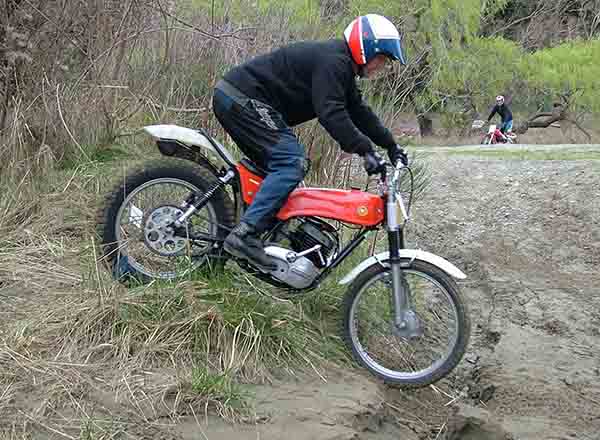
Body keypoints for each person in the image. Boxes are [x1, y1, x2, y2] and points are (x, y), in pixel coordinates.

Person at [212, 14, 408, 269]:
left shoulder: (341, 67)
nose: (381, 67)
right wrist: (365, 151)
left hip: (239, 99)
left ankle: (242, 234)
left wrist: (391, 145)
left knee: (274, 175)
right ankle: (245, 235)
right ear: (366, 47)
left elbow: (358, 112)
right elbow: (331, 113)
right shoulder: (334, 62)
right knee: (291, 162)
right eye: (381, 59)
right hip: (242, 98)